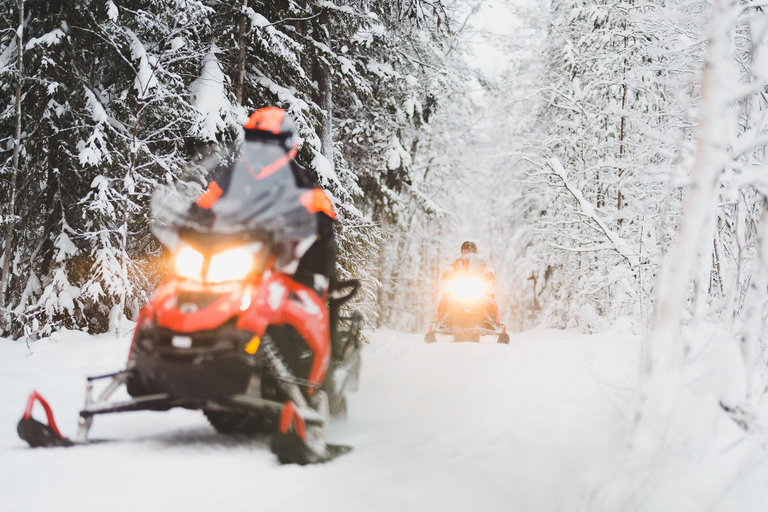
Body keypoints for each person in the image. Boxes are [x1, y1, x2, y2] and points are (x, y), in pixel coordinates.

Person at [194, 107, 337, 293]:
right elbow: (207, 202)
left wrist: (317, 221)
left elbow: (321, 210)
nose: (262, 151)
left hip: (282, 266)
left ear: (285, 147)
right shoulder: (234, 176)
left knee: (296, 304)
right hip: (232, 256)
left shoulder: (300, 181)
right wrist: (191, 216)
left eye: (270, 145)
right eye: (256, 142)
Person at [437, 241, 499, 327]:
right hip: (460, 287)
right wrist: (447, 275)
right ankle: (442, 323)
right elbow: (449, 270)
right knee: (446, 300)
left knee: (489, 301)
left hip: (477, 287)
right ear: (462, 252)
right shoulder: (457, 262)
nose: (469, 254)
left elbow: (488, 271)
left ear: (475, 252)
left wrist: (490, 276)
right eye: (466, 251)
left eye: (471, 251)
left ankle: (492, 325)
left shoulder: (481, 263)